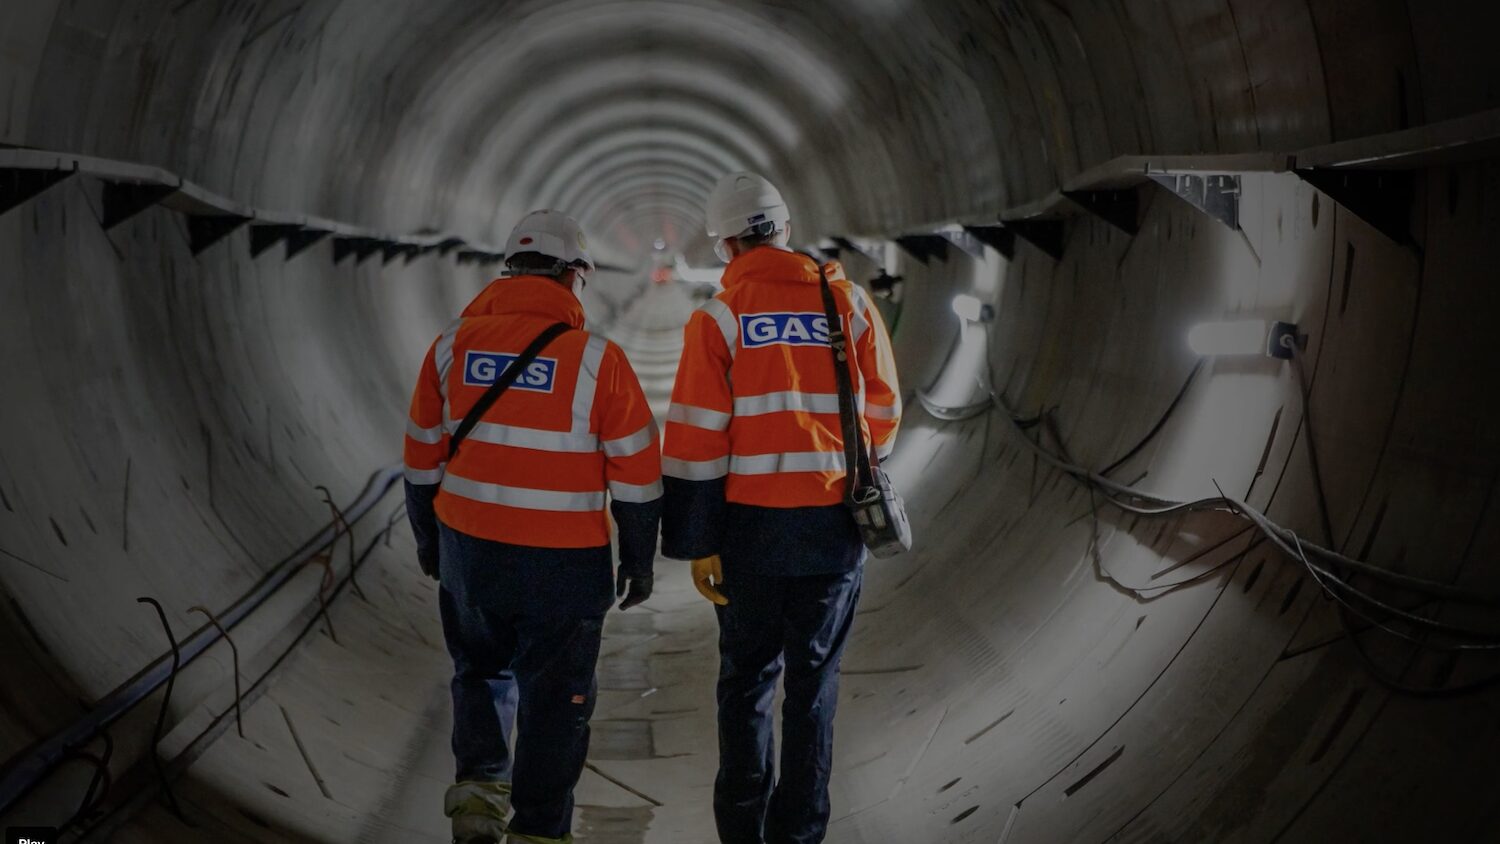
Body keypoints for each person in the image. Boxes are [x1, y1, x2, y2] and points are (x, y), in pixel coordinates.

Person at [403, 210, 662, 844]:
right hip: (563, 567)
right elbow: (636, 475)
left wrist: (430, 542)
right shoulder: (598, 361)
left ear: (508, 271)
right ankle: (540, 831)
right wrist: (637, 558)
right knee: (556, 703)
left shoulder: (447, 347)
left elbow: (420, 458)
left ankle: (477, 801)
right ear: (574, 275)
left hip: (470, 554)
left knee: (479, 673)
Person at [661, 173, 902, 843]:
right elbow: (883, 409)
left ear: (727, 246)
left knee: (745, 685)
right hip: (831, 530)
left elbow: (694, 440)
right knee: (813, 688)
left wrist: (699, 542)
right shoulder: (848, 304)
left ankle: (742, 831)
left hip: (749, 535)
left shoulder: (718, 318)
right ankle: (798, 835)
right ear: (786, 230)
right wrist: (850, 461)